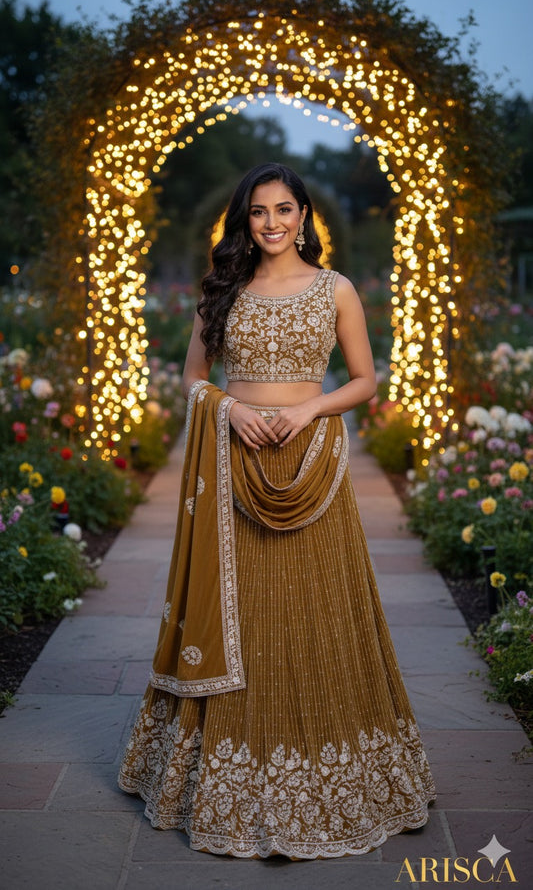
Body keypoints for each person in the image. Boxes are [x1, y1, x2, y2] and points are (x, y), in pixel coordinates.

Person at [118, 162, 436, 858]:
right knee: (243, 608)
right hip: (235, 462)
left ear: (303, 215)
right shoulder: (224, 290)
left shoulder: (335, 289)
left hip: (311, 464)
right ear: (244, 219)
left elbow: (364, 380)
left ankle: (335, 761)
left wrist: (310, 408)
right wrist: (228, 408)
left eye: (284, 209)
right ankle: (226, 771)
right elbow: (193, 378)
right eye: (258, 211)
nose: (271, 223)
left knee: (318, 607)